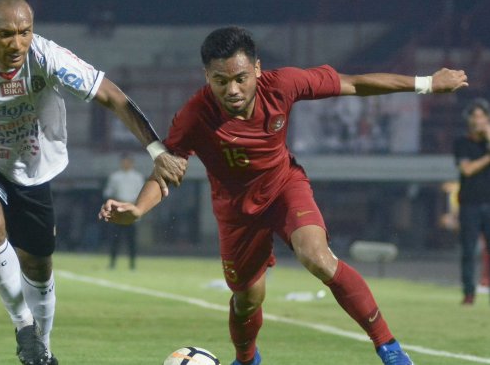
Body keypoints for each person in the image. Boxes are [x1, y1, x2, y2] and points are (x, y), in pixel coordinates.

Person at [99, 26, 468, 365]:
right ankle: (247, 360)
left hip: (284, 187)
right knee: (248, 299)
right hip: (235, 210)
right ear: (206, 77)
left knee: (318, 257)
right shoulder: (195, 116)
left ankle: (390, 349)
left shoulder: (284, 85)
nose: (233, 90)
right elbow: (165, 170)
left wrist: (426, 83)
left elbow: (354, 84)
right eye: (221, 80)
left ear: (257, 70)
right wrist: (137, 209)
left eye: (241, 78)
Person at [0, 0, 186, 364]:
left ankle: (39, 352)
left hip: (33, 171)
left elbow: (112, 96)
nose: (17, 43)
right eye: (6, 34)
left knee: (39, 269)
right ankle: (23, 325)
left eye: (24, 32)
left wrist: (157, 151)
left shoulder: (47, 57)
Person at [453, 98, 490, 305]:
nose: (478, 121)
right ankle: (469, 293)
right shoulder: (462, 143)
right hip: (470, 205)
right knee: (468, 250)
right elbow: (467, 170)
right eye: (474, 117)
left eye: (482, 117)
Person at [103, 153, 145, 269]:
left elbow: (141, 194)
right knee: (115, 239)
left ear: (132, 163)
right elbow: (108, 192)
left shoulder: (138, 177)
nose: (126, 164)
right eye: (124, 161)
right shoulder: (115, 177)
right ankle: (112, 263)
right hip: (118, 211)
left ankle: (132, 265)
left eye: (128, 161)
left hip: (131, 210)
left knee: (131, 240)